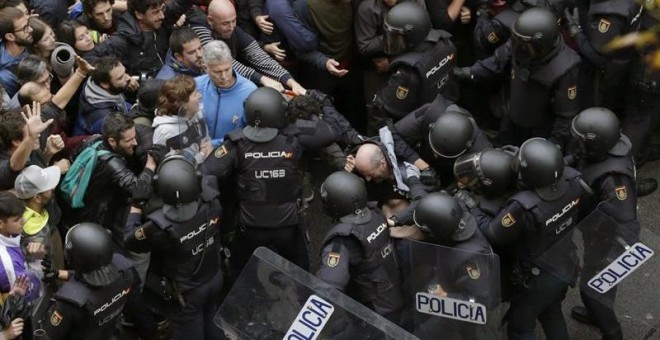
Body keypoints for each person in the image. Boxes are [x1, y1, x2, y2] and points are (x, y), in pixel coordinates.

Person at [202, 87, 334, 273]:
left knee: (240, 274)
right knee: (301, 275)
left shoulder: (236, 143)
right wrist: (294, 116)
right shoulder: (295, 136)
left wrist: (216, 206)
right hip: (288, 227)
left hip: (250, 227)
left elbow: (207, 170)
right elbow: (327, 132)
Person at [472, 138, 586, 339]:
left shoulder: (524, 206)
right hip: (565, 264)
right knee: (551, 312)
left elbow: (493, 234)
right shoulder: (574, 182)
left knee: (520, 328)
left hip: (536, 278)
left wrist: (472, 208)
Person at [123, 156, 223, 340]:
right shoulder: (212, 201)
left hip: (186, 293)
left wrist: (136, 206)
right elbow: (207, 176)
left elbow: (129, 240)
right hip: (214, 276)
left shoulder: (159, 226)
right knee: (212, 321)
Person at [567, 108, 640, 340]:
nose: (576, 144)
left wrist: (610, 263)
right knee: (597, 286)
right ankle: (596, 313)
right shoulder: (605, 150)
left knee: (592, 289)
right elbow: (581, 159)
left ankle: (612, 332)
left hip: (607, 241)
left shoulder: (615, 180)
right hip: (596, 231)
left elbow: (627, 224)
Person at [316, 171, 405, 323]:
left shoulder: (343, 240)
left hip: (372, 316)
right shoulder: (377, 215)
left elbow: (328, 286)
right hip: (395, 296)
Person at [408, 192, 497, 338]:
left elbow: (481, 301)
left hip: (460, 309)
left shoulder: (469, 257)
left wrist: (446, 296)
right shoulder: (456, 217)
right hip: (446, 281)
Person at [39, 222, 140, 339]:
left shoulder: (71, 300)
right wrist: (59, 274)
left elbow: (47, 336)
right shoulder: (125, 268)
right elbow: (98, 277)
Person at [370, 2, 458, 129]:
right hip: (448, 113)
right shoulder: (446, 44)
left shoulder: (407, 72)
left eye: (397, 37)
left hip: (421, 129)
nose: (392, 41)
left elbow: (385, 111)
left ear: (413, 36)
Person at [190, 0, 306, 94]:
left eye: (234, 21)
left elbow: (259, 56)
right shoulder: (199, 29)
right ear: (210, 20)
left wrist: (290, 81)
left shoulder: (234, 30)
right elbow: (224, 61)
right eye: (225, 23)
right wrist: (262, 79)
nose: (231, 27)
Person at [563, 0, 641, 112]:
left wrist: (576, 32)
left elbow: (598, 57)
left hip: (603, 78)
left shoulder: (610, 15)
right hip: (623, 65)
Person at [84, 0, 194, 77]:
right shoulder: (123, 39)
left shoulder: (162, 20)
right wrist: (119, 75)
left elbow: (180, 4)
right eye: (155, 12)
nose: (162, 16)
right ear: (139, 15)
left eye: (162, 10)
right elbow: (88, 58)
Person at [194, 40, 256, 147]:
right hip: (200, 153)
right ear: (205, 68)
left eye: (227, 69)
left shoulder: (250, 92)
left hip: (234, 155)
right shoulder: (195, 86)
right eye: (217, 72)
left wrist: (214, 144)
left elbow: (253, 133)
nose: (224, 76)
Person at [14, 165, 62, 281]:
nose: (53, 188)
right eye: (48, 188)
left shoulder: (24, 208)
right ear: (37, 198)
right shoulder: (33, 234)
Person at [153, 75, 212, 165]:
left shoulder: (197, 114)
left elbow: (206, 139)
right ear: (183, 104)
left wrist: (208, 146)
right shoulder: (164, 132)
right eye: (195, 94)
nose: (200, 96)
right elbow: (171, 167)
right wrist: (202, 155)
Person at [74, 56, 136, 136]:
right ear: (105, 84)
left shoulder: (94, 85)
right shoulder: (103, 120)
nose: (128, 78)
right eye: (120, 78)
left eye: (125, 72)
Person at [0, 7, 33, 98]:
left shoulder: (27, 41)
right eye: (25, 28)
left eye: (28, 23)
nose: (31, 29)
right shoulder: (6, 77)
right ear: (10, 36)